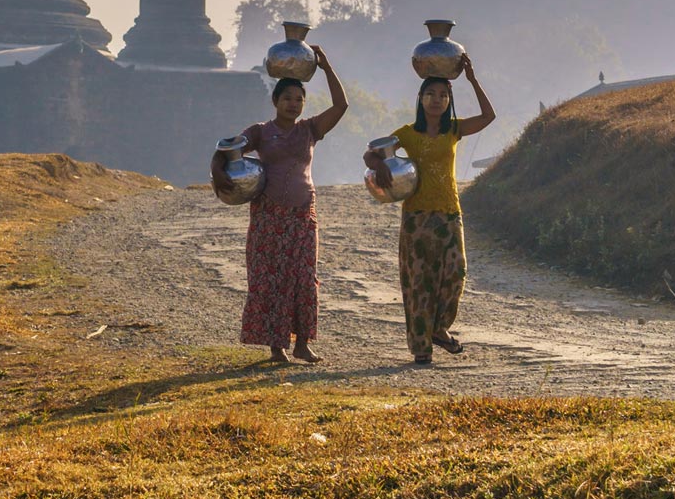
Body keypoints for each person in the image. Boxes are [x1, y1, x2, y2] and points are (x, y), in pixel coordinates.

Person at [211, 46, 348, 363]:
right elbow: (227, 150)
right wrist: (218, 174)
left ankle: (302, 343)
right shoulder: (261, 132)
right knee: (272, 279)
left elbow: (341, 105)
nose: (293, 104)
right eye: (287, 99)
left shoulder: (310, 130)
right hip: (268, 216)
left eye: (299, 99)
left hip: (302, 215)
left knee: (303, 279)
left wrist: (326, 67)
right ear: (275, 102)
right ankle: (277, 347)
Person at [364, 54, 495, 365]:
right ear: (420, 99)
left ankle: (439, 329)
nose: (437, 100)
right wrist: (380, 164)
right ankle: (421, 346)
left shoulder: (454, 129)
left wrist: (473, 80)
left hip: (450, 212)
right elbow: (371, 154)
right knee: (420, 282)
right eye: (430, 94)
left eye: (443, 95)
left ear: (449, 100)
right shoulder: (408, 133)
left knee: (455, 275)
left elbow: (488, 116)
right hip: (417, 217)